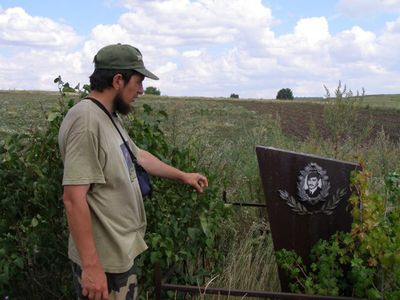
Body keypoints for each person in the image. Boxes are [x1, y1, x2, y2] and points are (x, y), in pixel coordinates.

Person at [58, 43, 208, 300]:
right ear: (118, 80)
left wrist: (184, 175)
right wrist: (92, 268)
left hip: (118, 252)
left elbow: (139, 156)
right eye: (137, 82)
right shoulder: (86, 122)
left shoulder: (108, 115)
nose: (141, 90)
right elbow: (73, 198)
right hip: (104, 262)